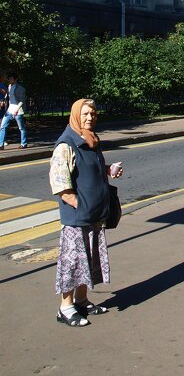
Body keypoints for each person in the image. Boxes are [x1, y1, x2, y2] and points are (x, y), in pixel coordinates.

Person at [49, 98, 123, 327]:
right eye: (85, 114)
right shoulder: (66, 145)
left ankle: (81, 301)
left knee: (88, 260)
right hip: (77, 218)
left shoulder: (91, 140)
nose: (90, 117)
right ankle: (65, 308)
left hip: (94, 215)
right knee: (72, 263)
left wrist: (108, 169)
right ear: (75, 116)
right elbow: (61, 185)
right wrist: (79, 206)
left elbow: (92, 168)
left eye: (93, 113)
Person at [0, 73, 27, 149]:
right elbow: (7, 97)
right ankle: (1, 145)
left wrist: (17, 110)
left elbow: (22, 101)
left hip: (18, 110)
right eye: (9, 78)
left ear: (16, 79)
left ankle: (23, 143)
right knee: (2, 126)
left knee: (21, 128)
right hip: (9, 110)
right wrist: (3, 101)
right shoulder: (9, 87)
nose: (10, 80)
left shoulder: (21, 88)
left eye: (11, 78)